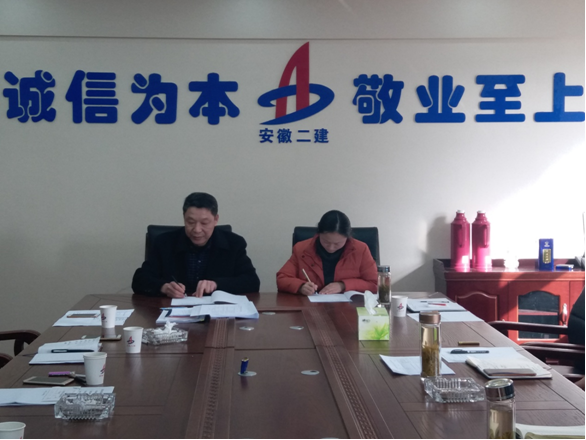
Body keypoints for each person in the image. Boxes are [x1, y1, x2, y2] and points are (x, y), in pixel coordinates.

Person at [132, 192, 260, 298]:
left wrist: (217, 284)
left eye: (204, 223)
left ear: (216, 220)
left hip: (215, 314)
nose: (197, 230)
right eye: (191, 222)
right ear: (184, 217)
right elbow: (139, 280)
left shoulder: (234, 243)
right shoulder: (164, 242)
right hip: (172, 314)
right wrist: (163, 287)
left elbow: (252, 281)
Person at [277, 210, 378, 295]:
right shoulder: (302, 249)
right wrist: (301, 286)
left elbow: (374, 284)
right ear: (318, 234)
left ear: (347, 237)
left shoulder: (361, 250)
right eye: (326, 241)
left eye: (337, 243)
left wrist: (343, 285)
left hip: (348, 308)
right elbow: (282, 279)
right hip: (310, 307)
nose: (331, 247)